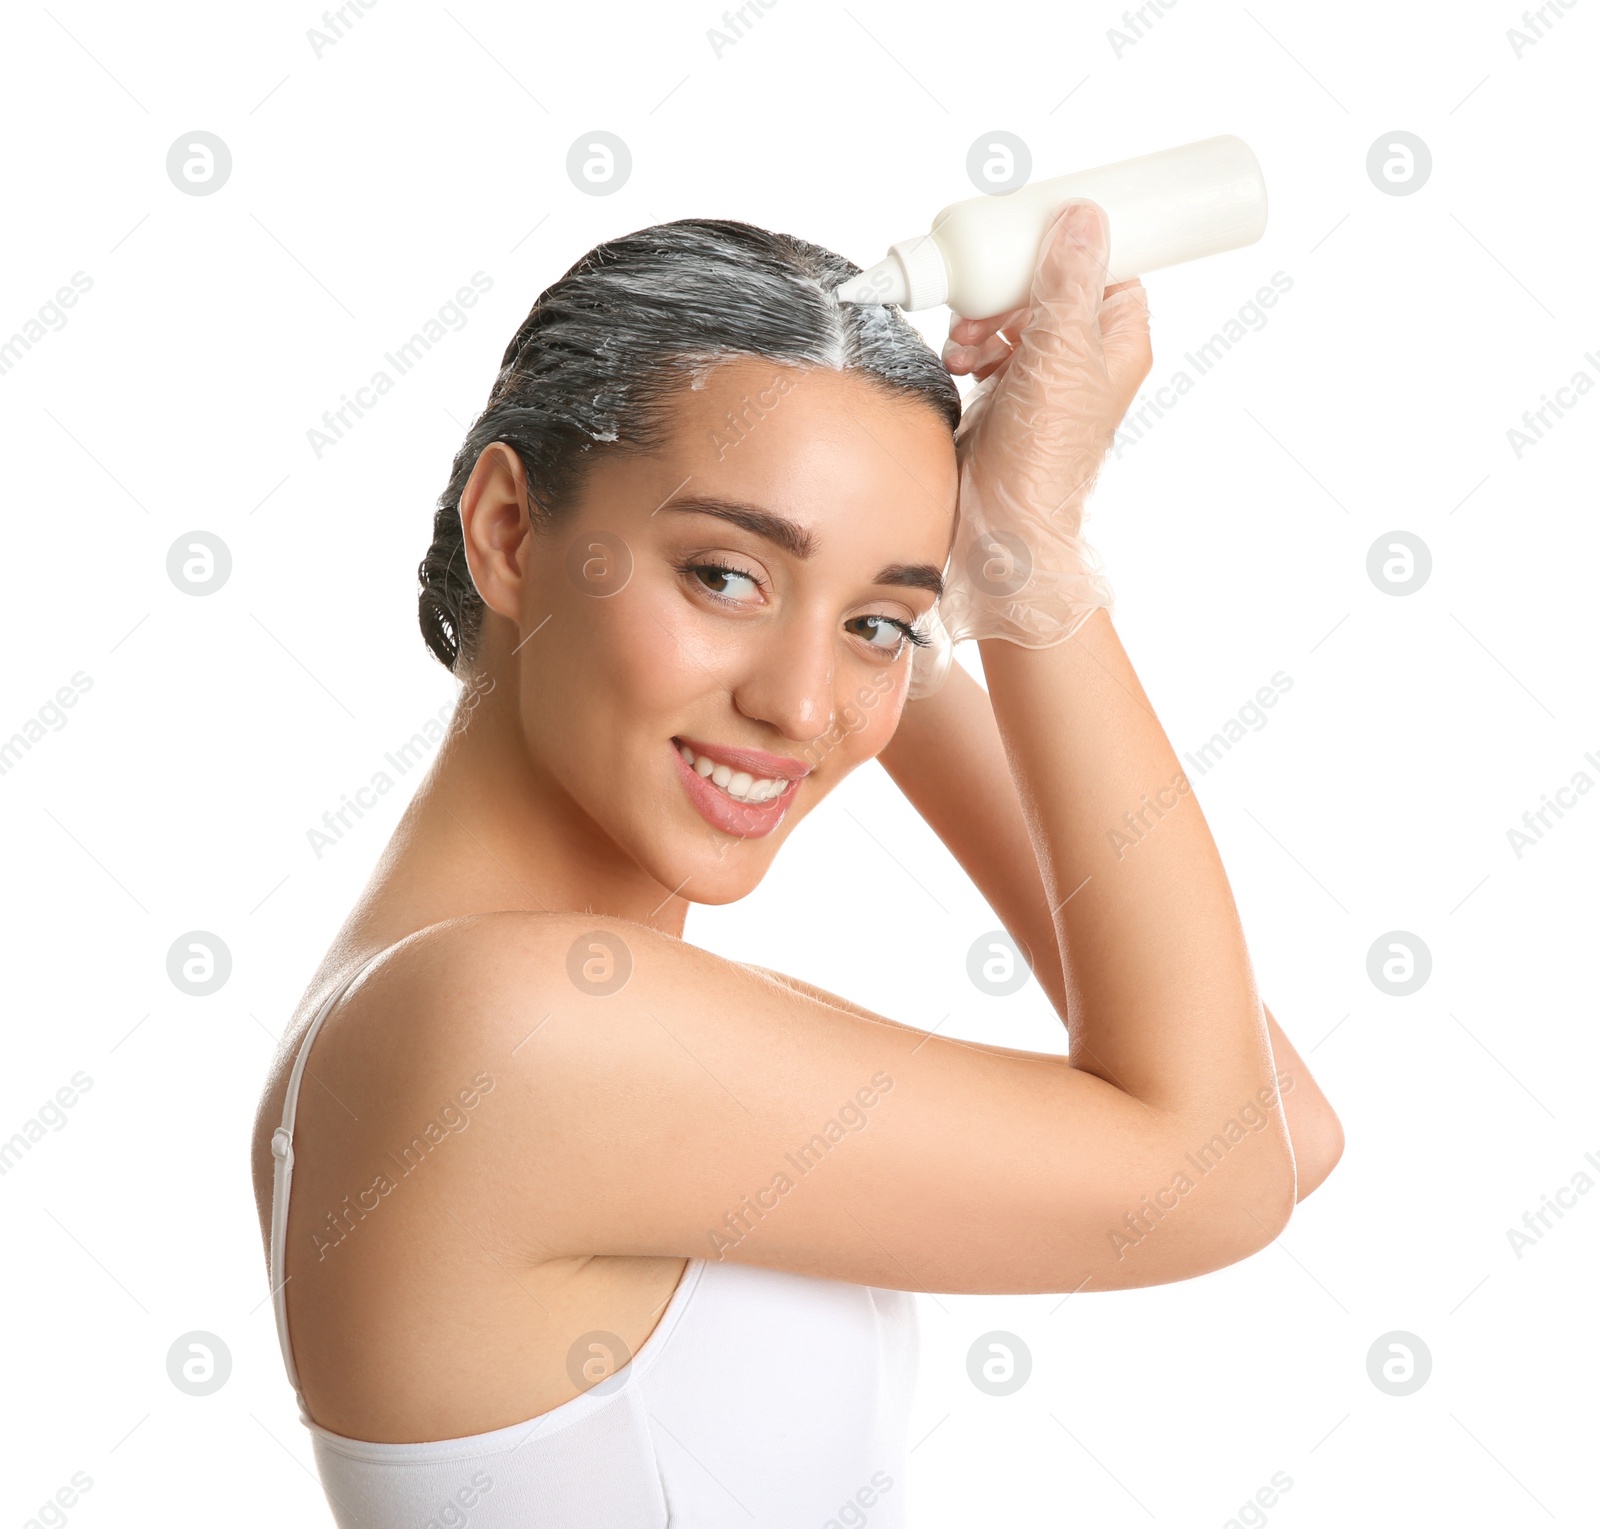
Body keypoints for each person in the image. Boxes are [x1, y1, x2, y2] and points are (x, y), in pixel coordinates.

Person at [251, 201, 1343, 1526]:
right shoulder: (510, 1028)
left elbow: (1274, 1124)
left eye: (881, 625)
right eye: (722, 575)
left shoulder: (463, 1002)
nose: (802, 704)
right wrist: (1034, 563)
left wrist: (954, 571)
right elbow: (1217, 1163)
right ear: (508, 533)